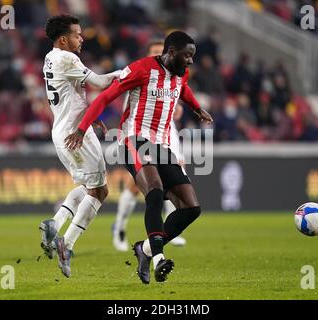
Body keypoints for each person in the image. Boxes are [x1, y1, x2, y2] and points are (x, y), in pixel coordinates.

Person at [64, 31, 213, 284]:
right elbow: (105, 96)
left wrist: (197, 108)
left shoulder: (181, 74)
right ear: (172, 52)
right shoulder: (140, 69)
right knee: (154, 191)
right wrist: (81, 128)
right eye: (187, 56)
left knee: (191, 208)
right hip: (133, 138)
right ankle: (157, 259)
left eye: (192, 56)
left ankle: (143, 250)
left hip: (162, 143)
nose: (190, 62)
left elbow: (182, 89)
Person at [38, 14, 121, 278]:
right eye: (77, 34)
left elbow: (70, 94)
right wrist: (126, 73)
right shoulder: (67, 57)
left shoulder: (50, 58)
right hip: (77, 134)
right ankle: (68, 243)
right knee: (100, 192)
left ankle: (56, 223)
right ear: (63, 39)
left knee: (88, 188)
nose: (82, 38)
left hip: (62, 130)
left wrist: (91, 117)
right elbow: (100, 82)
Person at [112, 40, 187, 252]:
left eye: (160, 52)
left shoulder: (173, 75)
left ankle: (167, 231)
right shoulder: (141, 74)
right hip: (141, 132)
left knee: (173, 175)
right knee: (136, 185)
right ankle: (119, 227)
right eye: (154, 53)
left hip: (165, 131)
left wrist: (179, 107)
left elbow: (176, 101)